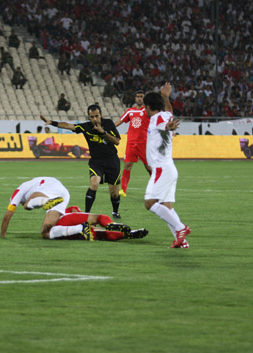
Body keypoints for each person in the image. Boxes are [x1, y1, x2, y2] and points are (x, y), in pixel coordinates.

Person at [40, 104, 123, 219]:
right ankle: (86, 214)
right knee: (94, 183)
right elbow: (68, 125)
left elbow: (117, 142)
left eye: (97, 116)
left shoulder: (108, 123)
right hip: (96, 161)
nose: (94, 119)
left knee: (114, 193)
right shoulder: (86, 127)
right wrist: (52, 122)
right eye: (92, 117)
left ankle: (115, 212)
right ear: (89, 117)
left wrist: (103, 132)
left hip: (112, 160)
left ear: (100, 115)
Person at [142, 88, 190, 248]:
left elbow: (166, 125)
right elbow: (169, 113)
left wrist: (169, 127)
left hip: (161, 168)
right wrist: (166, 97)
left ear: (148, 106)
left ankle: (180, 228)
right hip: (168, 168)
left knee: (149, 203)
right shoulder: (165, 114)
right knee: (166, 207)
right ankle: (182, 241)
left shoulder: (158, 117)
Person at [114, 85, 172, 196]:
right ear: (135, 98)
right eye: (138, 96)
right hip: (131, 143)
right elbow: (119, 121)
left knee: (148, 167)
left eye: (141, 96)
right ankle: (123, 190)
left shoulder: (148, 111)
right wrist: (109, 128)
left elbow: (164, 115)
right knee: (127, 165)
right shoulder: (130, 111)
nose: (139, 98)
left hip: (144, 144)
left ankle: (158, 186)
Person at [0, 177, 92, 240]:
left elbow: (7, 217)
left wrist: (2, 235)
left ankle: (47, 200)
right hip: (63, 193)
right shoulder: (32, 186)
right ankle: (80, 228)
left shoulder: (18, 192)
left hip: (48, 188)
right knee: (46, 233)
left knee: (27, 205)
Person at [60, 206, 148, 240]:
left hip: (60, 232)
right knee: (98, 217)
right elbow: (74, 210)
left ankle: (124, 235)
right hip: (63, 218)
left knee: (99, 234)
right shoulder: (62, 210)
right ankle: (109, 224)